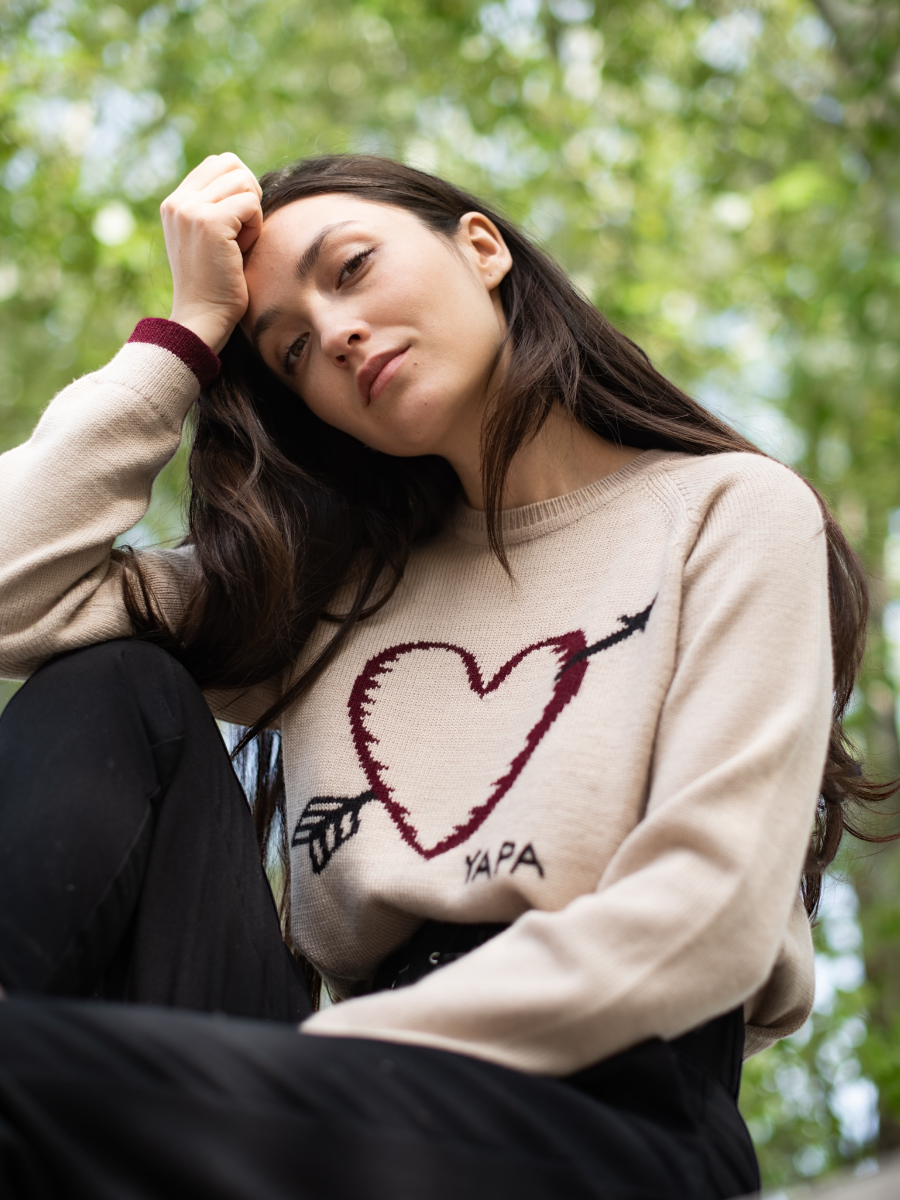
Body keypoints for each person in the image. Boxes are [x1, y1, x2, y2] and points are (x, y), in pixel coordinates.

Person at [0, 152, 885, 1199]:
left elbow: (707, 921)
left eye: (352, 269)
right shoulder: (333, 591)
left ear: (482, 247)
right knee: (120, 690)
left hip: (604, 1126)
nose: (333, 335)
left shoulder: (725, 513)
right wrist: (187, 333)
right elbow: (20, 588)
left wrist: (301, 1069)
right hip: (326, 1104)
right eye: (289, 352)